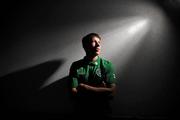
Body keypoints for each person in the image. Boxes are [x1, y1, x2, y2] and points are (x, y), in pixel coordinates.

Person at [69, 33, 116, 118]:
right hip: (81, 110)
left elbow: (112, 90)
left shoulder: (107, 65)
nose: (98, 45)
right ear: (85, 46)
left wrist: (85, 88)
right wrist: (101, 90)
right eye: (94, 42)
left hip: (102, 110)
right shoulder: (76, 65)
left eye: (99, 42)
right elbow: (73, 91)